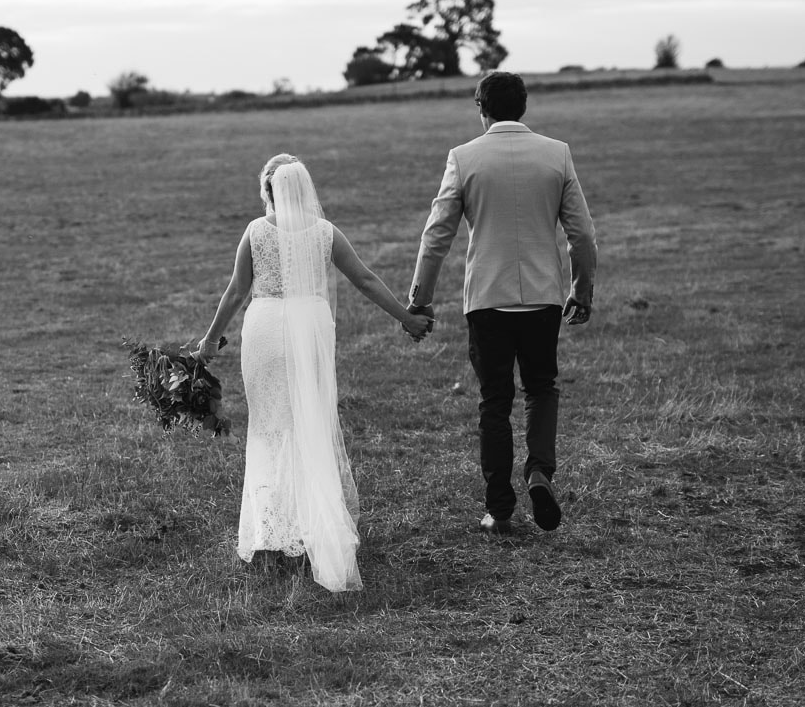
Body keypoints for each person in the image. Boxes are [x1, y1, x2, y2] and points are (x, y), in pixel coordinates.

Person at [195, 154, 434, 592]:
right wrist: (406, 317)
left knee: (268, 427)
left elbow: (235, 291)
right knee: (309, 423)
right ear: (305, 189)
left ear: (268, 191)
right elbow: (364, 278)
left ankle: (271, 530)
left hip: (265, 330)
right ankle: (310, 526)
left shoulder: (256, 231)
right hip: (310, 331)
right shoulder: (325, 232)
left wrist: (210, 341)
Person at [407, 71, 598, 535]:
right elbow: (582, 235)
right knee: (541, 387)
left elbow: (436, 236)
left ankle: (500, 507)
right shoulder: (557, 154)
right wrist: (582, 289)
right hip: (543, 297)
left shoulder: (464, 157)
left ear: (481, 107)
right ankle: (539, 471)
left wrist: (421, 299)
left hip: (487, 301)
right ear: (524, 106)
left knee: (495, 401)